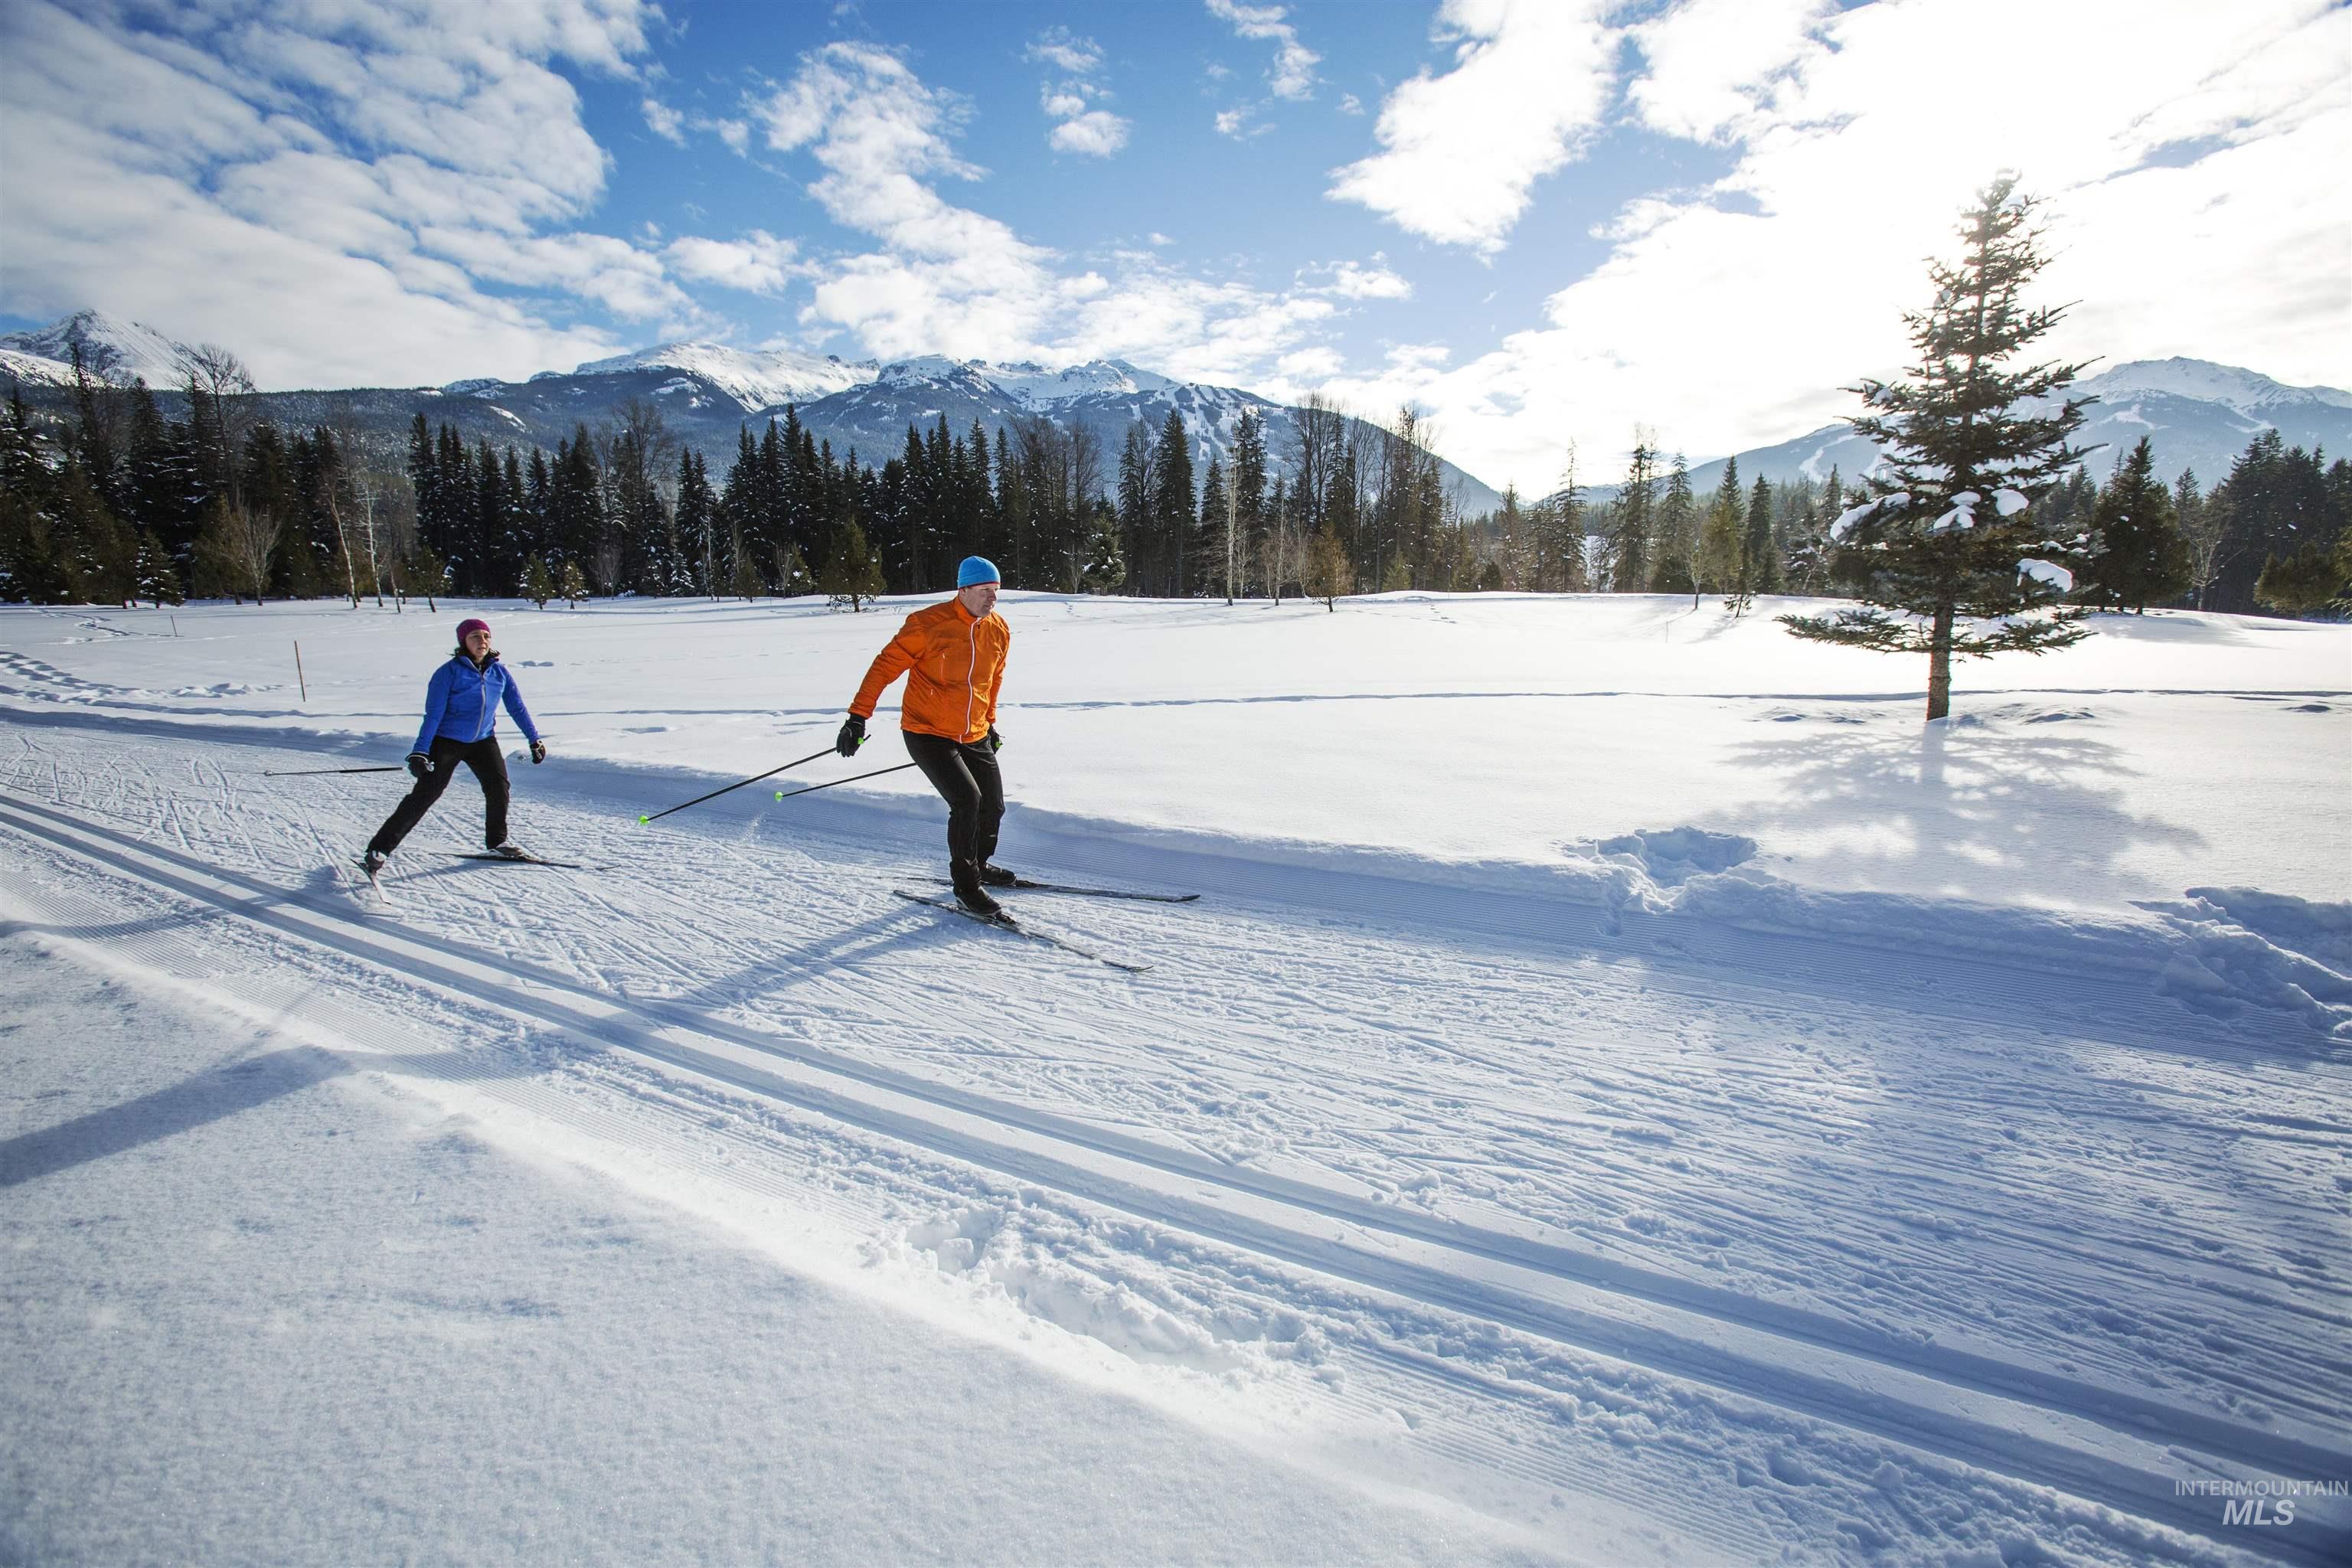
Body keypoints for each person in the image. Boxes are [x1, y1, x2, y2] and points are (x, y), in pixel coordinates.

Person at [840, 555, 1014, 916]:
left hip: (974, 732)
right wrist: (858, 717)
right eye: (985, 591)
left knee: (993, 805)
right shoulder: (927, 624)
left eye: (996, 591)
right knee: (967, 801)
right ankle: (966, 886)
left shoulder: (998, 629)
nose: (992, 599)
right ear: (963, 590)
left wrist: (990, 721)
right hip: (927, 730)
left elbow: (991, 682)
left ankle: (979, 864)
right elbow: (884, 668)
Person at [362, 617, 546, 875]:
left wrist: (534, 739)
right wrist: (421, 750)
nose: (482, 641)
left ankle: (497, 842)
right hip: (447, 741)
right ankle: (378, 849)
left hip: (483, 740)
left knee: (498, 786)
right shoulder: (448, 673)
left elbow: (516, 707)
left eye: (486, 636)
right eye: (475, 637)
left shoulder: (500, 672)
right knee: (427, 793)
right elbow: (433, 715)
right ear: (463, 641)